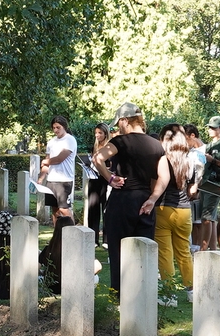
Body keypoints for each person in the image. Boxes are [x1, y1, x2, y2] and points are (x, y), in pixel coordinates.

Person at [93, 102, 168, 293]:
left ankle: (119, 293)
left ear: (125, 120)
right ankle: (143, 294)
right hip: (145, 201)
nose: (118, 127)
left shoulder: (120, 141)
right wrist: (153, 199)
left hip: (122, 200)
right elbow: (164, 176)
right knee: (144, 251)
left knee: (118, 251)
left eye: (119, 122)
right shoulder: (156, 145)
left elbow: (97, 158)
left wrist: (110, 178)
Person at [151, 124, 196, 306]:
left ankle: (170, 295)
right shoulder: (189, 160)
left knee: (165, 253)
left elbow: (154, 186)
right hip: (184, 210)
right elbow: (192, 190)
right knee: (184, 252)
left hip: (163, 209)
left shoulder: (161, 160)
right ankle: (192, 290)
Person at [195, 117, 220, 253]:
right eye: (209, 127)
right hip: (206, 183)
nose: (210, 130)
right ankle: (212, 249)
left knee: (206, 217)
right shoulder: (210, 144)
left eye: (213, 127)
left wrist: (213, 160)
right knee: (208, 218)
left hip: (217, 184)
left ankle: (203, 250)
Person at [39, 116, 77, 219]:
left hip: (64, 180)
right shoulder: (51, 142)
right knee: (55, 210)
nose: (56, 130)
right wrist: (41, 178)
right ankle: (57, 229)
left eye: (58, 127)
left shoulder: (70, 140)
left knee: (64, 209)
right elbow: (47, 163)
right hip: (51, 180)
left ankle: (72, 229)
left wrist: (46, 161)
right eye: (54, 128)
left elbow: (60, 158)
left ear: (64, 126)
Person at [83, 124, 107, 241]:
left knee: (106, 209)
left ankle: (107, 239)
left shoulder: (109, 147)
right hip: (94, 179)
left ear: (106, 133)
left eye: (100, 133)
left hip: (105, 180)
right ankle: (93, 238)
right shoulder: (94, 147)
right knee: (93, 208)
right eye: (96, 133)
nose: (97, 135)